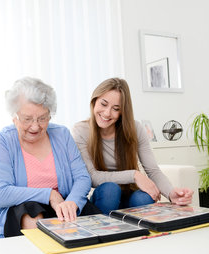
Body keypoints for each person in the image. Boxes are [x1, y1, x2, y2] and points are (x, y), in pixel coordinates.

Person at [0, 77, 100, 238]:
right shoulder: (2, 140)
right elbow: (0, 194)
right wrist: (49, 195)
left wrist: (72, 202)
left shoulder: (62, 134)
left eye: (42, 118)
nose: (35, 126)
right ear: (14, 117)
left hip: (64, 204)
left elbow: (82, 177)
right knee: (31, 213)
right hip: (23, 208)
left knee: (101, 227)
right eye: (27, 119)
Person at [72, 77, 193, 215]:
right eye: (103, 104)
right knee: (111, 190)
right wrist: (134, 175)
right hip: (105, 197)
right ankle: (106, 234)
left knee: (145, 198)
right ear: (94, 101)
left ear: (123, 111)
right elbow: (92, 176)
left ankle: (138, 234)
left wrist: (172, 193)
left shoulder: (135, 129)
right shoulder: (81, 130)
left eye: (115, 109)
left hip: (130, 195)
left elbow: (153, 170)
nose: (107, 113)